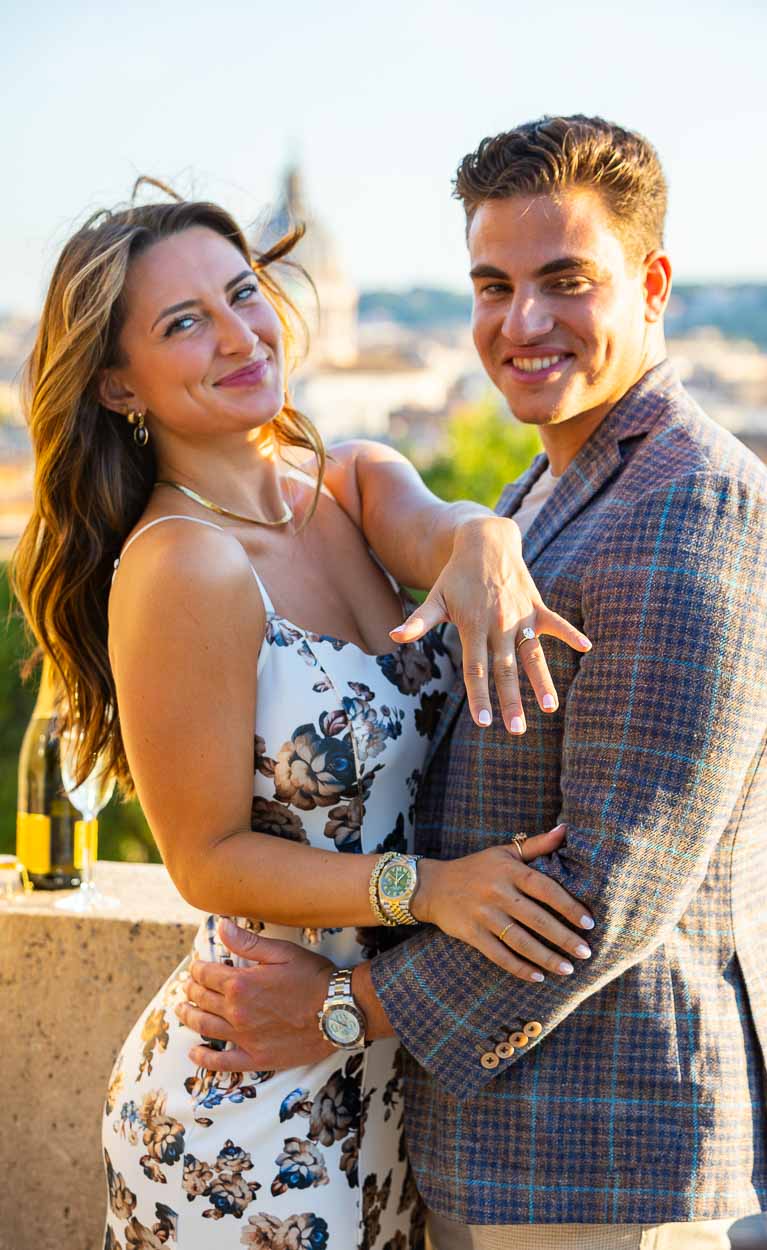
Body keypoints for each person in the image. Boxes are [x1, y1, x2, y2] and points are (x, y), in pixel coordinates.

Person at [185, 116, 767, 1249]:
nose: (520, 323)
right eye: (492, 284)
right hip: (529, 1133)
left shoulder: (692, 512)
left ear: (653, 285)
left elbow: (602, 890)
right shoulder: (556, 477)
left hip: (606, 1141)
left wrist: (340, 1009)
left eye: (564, 281)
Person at [10, 184, 599, 1250]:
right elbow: (202, 855)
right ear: (116, 384)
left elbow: (445, 527)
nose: (240, 335)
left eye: (242, 293)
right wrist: (431, 889)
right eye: (183, 323)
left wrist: (485, 540)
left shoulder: (351, 482)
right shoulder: (183, 562)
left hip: (376, 1070)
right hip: (243, 1109)